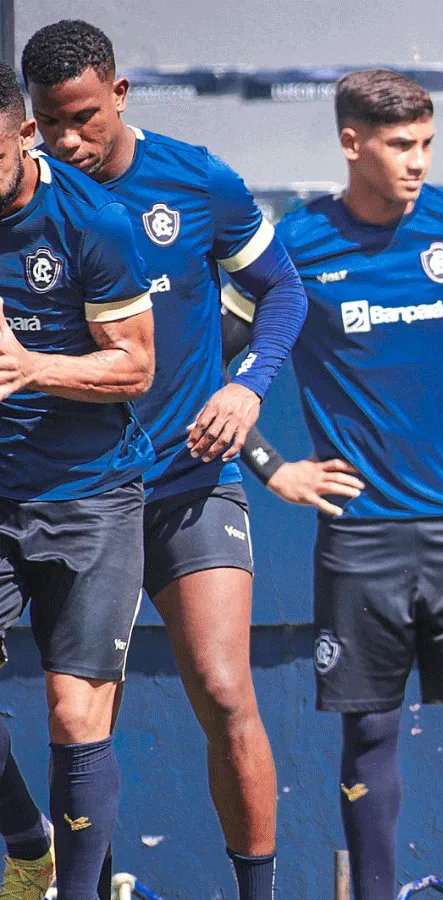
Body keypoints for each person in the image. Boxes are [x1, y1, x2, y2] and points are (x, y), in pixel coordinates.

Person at [231, 70, 443, 900]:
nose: (419, 163)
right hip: (360, 537)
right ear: (351, 143)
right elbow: (210, 362)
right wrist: (272, 466)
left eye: (428, 143)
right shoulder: (294, 244)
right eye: (402, 145)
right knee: (367, 732)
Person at [21, 20, 309, 899]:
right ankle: (65, 876)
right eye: (50, 122)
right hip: (69, 488)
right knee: (79, 717)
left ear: (119, 93)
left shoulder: (197, 180)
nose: (70, 140)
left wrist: (248, 386)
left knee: (224, 692)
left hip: (188, 483)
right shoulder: (33, 200)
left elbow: (283, 291)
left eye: (83, 117)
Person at [0, 60, 155, 900]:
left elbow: (136, 367)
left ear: (25, 137)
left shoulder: (94, 223)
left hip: (90, 495)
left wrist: (30, 369)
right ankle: (30, 851)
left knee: (73, 714)